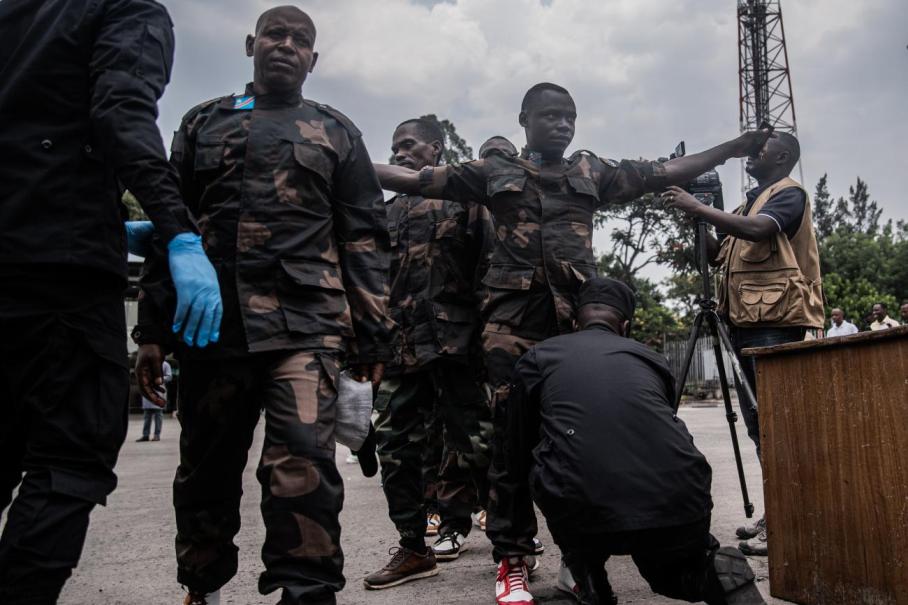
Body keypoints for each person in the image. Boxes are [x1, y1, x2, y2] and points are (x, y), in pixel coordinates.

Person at [374, 82, 771, 605]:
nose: (562, 124)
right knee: (506, 441)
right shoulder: (493, 172)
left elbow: (662, 171)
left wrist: (732, 147)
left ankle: (580, 555)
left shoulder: (591, 171)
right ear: (524, 120)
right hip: (510, 325)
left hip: (577, 325)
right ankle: (513, 558)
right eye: (550, 115)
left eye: (570, 116)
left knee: (583, 431)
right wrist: (340, 157)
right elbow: (413, 179)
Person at [133, 7, 391, 605]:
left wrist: (374, 333)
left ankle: (308, 592)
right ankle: (203, 587)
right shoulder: (203, 122)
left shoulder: (336, 131)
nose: (286, 46)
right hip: (211, 326)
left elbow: (364, 237)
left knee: (303, 464)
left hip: (307, 326)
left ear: (313, 59)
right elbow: (171, 229)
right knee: (206, 469)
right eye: (276, 34)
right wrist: (152, 331)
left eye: (300, 40)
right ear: (252, 44)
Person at [0, 1, 223, 603]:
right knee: (69, 459)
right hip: (58, 276)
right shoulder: (124, 9)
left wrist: (112, 227)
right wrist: (177, 229)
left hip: (26, 244)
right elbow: (120, 111)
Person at [504, 276, 766, 605]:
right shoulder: (651, 359)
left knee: (552, 461)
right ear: (625, 327)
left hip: (586, 511)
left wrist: (511, 541)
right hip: (681, 499)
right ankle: (710, 571)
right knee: (670, 577)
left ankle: (589, 579)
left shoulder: (539, 356)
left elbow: (514, 452)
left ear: (574, 324)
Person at [663, 131, 824, 556]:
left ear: (782, 157)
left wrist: (700, 207)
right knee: (758, 427)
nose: (752, 155)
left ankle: (789, 522)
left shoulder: (788, 195)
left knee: (776, 427)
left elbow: (759, 230)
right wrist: (698, 217)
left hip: (775, 322)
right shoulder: (746, 204)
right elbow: (716, 254)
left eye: (760, 149)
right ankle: (777, 514)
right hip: (746, 321)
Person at [364, 118, 495, 589]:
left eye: (408, 144)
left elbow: (489, 269)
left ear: (435, 149)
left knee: (480, 446)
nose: (399, 152)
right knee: (395, 450)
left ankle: (512, 543)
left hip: (457, 346)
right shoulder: (384, 212)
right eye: (393, 147)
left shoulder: (466, 201)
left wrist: (489, 341)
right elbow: (372, 283)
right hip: (401, 350)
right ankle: (413, 547)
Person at [137, 360, 173, 442]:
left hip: (159, 392)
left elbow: (169, 376)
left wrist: (160, 379)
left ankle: (157, 435)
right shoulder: (145, 363)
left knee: (158, 416)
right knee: (147, 416)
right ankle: (145, 435)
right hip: (148, 391)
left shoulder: (165, 364)